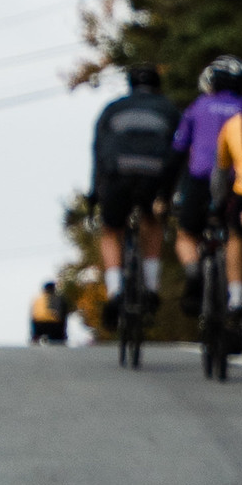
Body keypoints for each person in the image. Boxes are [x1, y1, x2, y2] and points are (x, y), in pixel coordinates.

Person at [89, 65, 180, 330]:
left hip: (118, 174)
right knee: (152, 222)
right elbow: (179, 150)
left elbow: (97, 151)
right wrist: (170, 191)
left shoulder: (112, 109)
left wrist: (95, 192)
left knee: (111, 230)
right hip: (155, 176)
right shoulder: (169, 109)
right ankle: (150, 288)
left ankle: (116, 291)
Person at [169, 56, 242, 315]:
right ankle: (236, 297)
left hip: (200, 178)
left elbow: (179, 147)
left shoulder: (197, 107)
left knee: (186, 234)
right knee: (235, 235)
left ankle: (194, 272)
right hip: (236, 180)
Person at [212, 102, 242, 341]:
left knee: (235, 234)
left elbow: (221, 171)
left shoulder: (234, 123)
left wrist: (217, 205)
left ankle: (236, 296)